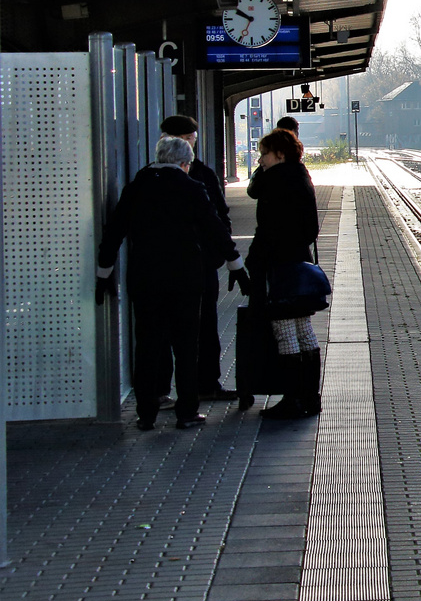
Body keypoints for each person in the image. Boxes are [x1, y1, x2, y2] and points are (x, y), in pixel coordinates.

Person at [96, 136, 243, 431]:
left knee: (148, 346)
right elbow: (214, 227)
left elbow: (114, 230)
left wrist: (103, 272)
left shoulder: (137, 186)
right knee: (186, 346)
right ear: (184, 163)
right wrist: (235, 264)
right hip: (185, 280)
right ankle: (187, 412)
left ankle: (146, 414)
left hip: (145, 279)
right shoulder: (191, 188)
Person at [161, 114, 246, 399]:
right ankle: (169, 391)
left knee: (206, 327)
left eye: (191, 141)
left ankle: (207, 383)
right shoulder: (158, 178)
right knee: (172, 332)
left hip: (201, 265)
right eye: (185, 141)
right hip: (177, 267)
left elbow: (220, 217)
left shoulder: (202, 173)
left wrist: (224, 256)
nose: (189, 147)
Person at [247, 128, 323, 419]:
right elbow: (309, 228)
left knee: (285, 332)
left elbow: (265, 226)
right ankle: (309, 397)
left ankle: (292, 398)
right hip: (298, 264)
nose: (260, 160)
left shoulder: (275, 181)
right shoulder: (301, 176)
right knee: (303, 330)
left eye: (263, 154)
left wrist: (259, 260)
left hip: (279, 266)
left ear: (279, 153)